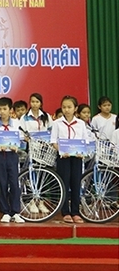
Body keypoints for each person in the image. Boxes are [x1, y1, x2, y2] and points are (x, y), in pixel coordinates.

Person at [0, 97, 24, 223]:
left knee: (14, 183)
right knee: (1, 183)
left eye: (5, 109)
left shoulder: (17, 123)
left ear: (10, 110)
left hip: (12, 155)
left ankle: (16, 211)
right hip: (0, 155)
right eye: (0, 109)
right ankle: (5, 211)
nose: (2, 112)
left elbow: (23, 139)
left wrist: (16, 145)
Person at [50, 95, 88, 224]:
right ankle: (65, 212)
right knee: (64, 184)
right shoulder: (57, 123)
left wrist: (81, 152)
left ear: (75, 108)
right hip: (63, 158)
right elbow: (53, 141)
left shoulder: (81, 124)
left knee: (76, 184)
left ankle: (76, 212)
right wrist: (61, 150)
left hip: (76, 158)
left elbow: (85, 141)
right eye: (64, 107)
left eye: (69, 107)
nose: (66, 110)